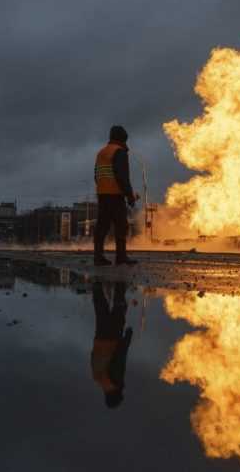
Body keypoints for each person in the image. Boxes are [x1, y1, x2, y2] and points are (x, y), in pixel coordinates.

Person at [93, 125, 138, 266]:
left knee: (102, 226)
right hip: (115, 195)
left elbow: (96, 175)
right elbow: (122, 177)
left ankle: (98, 257)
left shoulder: (101, 152)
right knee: (121, 226)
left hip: (102, 194)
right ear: (123, 138)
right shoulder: (119, 152)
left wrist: (102, 188)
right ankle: (121, 257)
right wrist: (130, 196)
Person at [91, 281, 133, 409]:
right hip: (100, 337)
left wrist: (127, 338)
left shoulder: (115, 381)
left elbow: (120, 358)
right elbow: (93, 356)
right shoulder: (97, 378)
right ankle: (96, 284)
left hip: (113, 338)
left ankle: (121, 279)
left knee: (119, 308)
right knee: (101, 309)